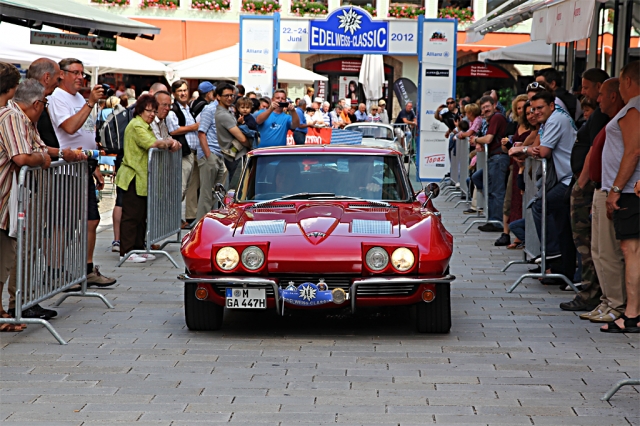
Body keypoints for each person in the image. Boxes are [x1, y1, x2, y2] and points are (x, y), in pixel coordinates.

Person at [47, 58, 116, 288]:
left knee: (91, 220)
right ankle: (55, 272)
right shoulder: (57, 98)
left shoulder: (78, 98)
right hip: (64, 171)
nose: (80, 77)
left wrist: (95, 163)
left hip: (83, 166)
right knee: (63, 224)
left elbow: (88, 134)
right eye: (75, 73)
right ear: (61, 75)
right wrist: (90, 103)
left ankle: (86, 269)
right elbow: (69, 127)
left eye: (82, 73)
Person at [0, 76, 54, 326]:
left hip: (10, 197)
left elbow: (37, 147)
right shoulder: (11, 116)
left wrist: (48, 154)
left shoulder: (20, 118)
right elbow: (22, 157)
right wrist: (41, 159)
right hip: (5, 196)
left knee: (7, 255)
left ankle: (6, 310)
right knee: (6, 256)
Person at [560, 68, 612, 308]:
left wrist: (581, 185)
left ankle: (591, 293)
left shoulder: (601, 115)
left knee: (588, 242)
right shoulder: (597, 114)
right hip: (585, 183)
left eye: (587, 87)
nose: (583, 92)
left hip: (588, 185)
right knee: (587, 243)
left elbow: (594, 149)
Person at [579, 78, 626, 322]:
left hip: (610, 189)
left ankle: (616, 304)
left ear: (614, 95)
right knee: (598, 251)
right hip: (602, 189)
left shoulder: (626, 117)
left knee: (608, 252)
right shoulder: (613, 120)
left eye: (602, 94)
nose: (597, 99)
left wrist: (614, 189)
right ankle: (607, 301)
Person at [116, 95, 181, 263]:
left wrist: (167, 142)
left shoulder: (144, 125)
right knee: (131, 216)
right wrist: (169, 142)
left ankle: (138, 248)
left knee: (141, 216)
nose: (152, 114)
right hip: (133, 176)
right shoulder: (137, 125)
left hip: (143, 178)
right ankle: (127, 251)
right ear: (140, 110)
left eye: (154, 110)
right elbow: (151, 143)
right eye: (148, 110)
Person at [600, 61, 640, 333]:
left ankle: (632, 314)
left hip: (630, 191)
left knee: (631, 250)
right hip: (631, 188)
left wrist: (615, 189)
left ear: (627, 81)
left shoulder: (634, 108)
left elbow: (633, 150)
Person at [524, 91, 578, 283]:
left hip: (568, 179)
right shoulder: (551, 120)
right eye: (533, 109)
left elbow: (543, 151)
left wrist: (522, 149)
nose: (536, 112)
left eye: (540, 108)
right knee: (562, 226)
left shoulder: (555, 119)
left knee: (540, 206)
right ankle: (561, 271)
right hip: (566, 178)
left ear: (551, 106)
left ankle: (554, 255)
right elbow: (538, 147)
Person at [495, 95, 533, 246]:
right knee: (510, 200)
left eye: (525, 108)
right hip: (515, 166)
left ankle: (521, 235)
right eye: (519, 108)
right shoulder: (514, 125)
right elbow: (506, 149)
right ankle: (507, 233)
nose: (523, 112)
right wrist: (507, 144)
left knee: (523, 200)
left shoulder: (535, 128)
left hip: (527, 167)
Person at [167, 80, 200, 229]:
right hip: (182, 153)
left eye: (185, 90)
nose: (183, 93)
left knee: (186, 188)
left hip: (191, 153)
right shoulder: (173, 109)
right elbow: (173, 130)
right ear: (174, 93)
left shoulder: (187, 108)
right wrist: (194, 127)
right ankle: (171, 219)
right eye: (180, 90)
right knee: (179, 188)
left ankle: (175, 219)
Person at [215, 83, 250, 184]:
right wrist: (251, 145)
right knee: (236, 187)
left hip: (234, 156)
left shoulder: (228, 111)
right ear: (218, 96)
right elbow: (242, 139)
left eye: (232, 95)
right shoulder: (223, 115)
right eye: (226, 95)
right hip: (235, 157)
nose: (230, 98)